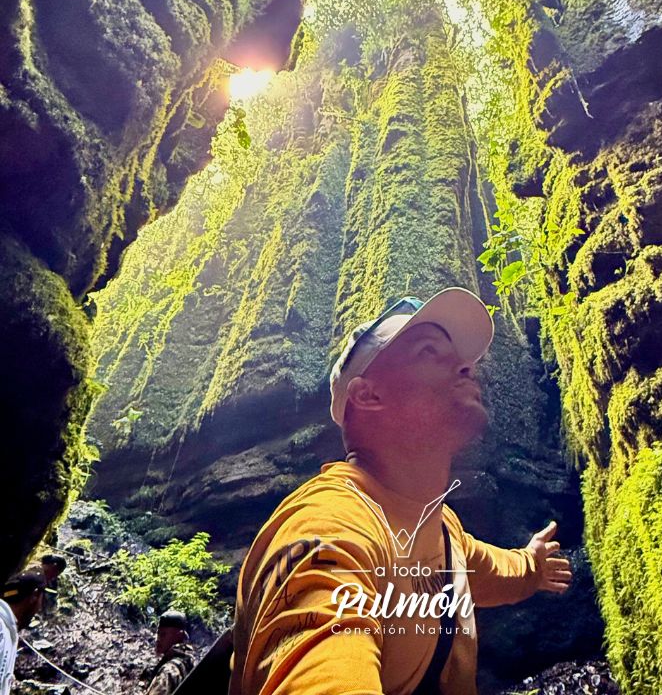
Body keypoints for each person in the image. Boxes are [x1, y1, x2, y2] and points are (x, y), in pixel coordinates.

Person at [229, 287, 573, 695]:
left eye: (460, 357)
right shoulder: (327, 527)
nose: (467, 366)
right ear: (368, 395)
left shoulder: (442, 528)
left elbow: (489, 570)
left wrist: (532, 566)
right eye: (429, 351)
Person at [1, 569, 47, 695]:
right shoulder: (2, 629)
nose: (39, 608)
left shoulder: (9, 629)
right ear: (35, 595)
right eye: (42, 599)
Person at [144, 610, 196, 695]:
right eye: (158, 633)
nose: (158, 639)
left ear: (179, 636)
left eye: (163, 634)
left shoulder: (169, 671)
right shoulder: (191, 662)